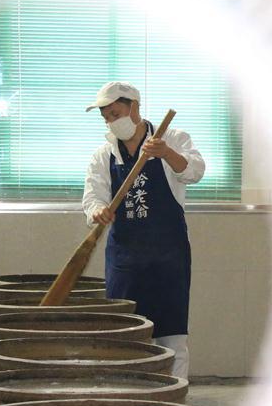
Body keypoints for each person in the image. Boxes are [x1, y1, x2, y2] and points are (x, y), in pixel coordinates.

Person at [82, 82, 205, 378]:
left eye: (116, 114)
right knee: (124, 332)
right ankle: (129, 393)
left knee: (171, 334)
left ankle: (173, 394)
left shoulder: (172, 138)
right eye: (106, 118)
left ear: (134, 107)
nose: (112, 122)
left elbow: (195, 171)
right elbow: (93, 195)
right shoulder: (104, 154)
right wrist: (97, 211)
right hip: (125, 257)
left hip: (168, 255)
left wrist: (167, 153)